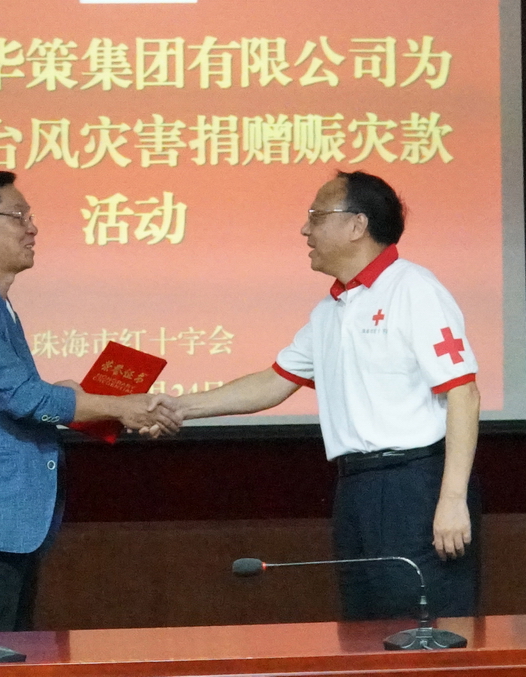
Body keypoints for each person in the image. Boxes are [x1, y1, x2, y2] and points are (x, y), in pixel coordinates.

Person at [158, 171, 481, 621]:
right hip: (355, 488)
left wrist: (452, 499)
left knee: (424, 627)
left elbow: (464, 393)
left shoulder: (414, 289)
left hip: (415, 484)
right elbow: (274, 382)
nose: (304, 230)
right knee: (363, 626)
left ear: (357, 225)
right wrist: (178, 408)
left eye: (316, 216)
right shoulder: (331, 310)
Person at [0, 171, 181, 633]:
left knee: (10, 654)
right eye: (19, 216)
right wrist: (120, 407)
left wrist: (83, 396)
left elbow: (10, 392)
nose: (33, 228)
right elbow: (20, 397)